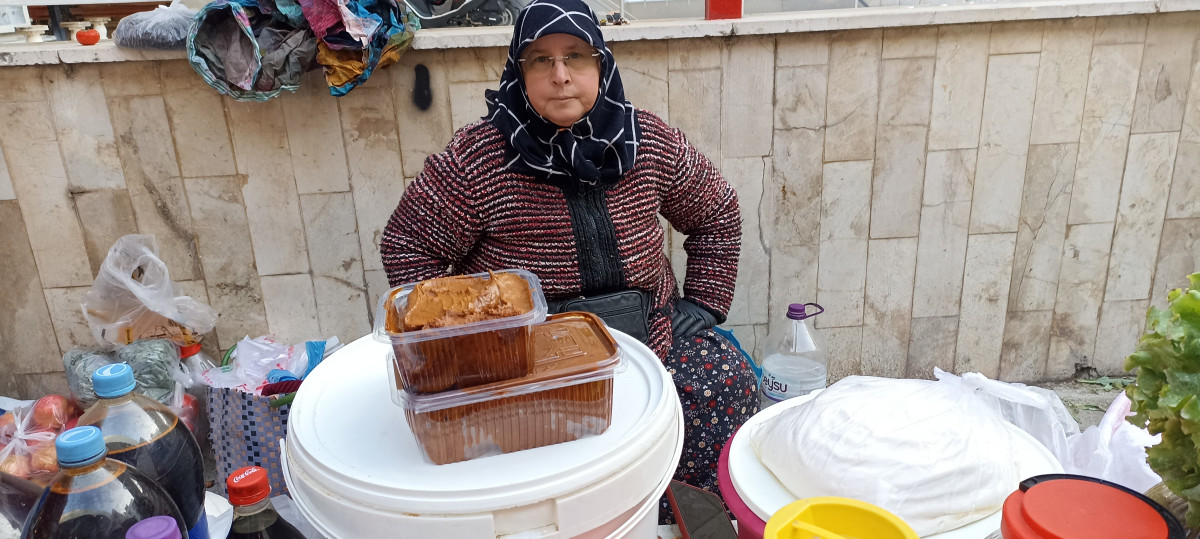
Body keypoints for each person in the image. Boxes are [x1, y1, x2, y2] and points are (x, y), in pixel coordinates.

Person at [380, 0, 757, 520]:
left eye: (575, 56)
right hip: (526, 366)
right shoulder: (480, 156)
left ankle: (657, 516)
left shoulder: (646, 140)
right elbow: (407, 243)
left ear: (601, 64)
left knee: (728, 378)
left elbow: (717, 210)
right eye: (540, 59)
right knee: (536, 464)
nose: (560, 76)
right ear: (520, 71)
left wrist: (706, 303)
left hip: (648, 344)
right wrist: (461, 342)